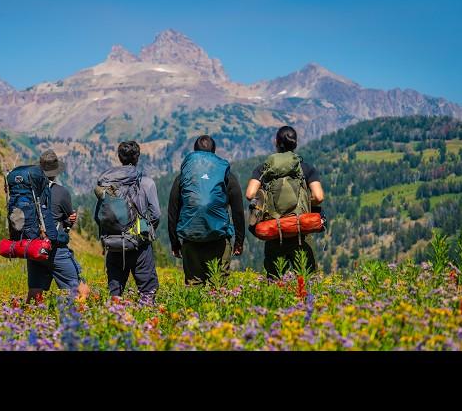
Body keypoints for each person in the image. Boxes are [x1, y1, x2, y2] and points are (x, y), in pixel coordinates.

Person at [245, 126, 324, 277]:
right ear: (295, 144)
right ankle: (306, 300)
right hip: (300, 231)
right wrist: (306, 203)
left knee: (275, 281)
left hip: (275, 230)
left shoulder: (264, 169)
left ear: (276, 142)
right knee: (306, 280)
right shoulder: (305, 168)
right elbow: (319, 197)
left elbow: (250, 194)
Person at [168, 135, 245, 286]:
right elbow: (238, 211)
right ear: (214, 152)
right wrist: (239, 241)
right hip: (219, 240)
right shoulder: (226, 176)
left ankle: (193, 310)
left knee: (193, 288)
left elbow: (173, 212)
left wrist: (174, 243)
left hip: (191, 241)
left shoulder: (183, 177)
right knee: (219, 288)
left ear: (195, 152)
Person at [94, 141, 161, 304]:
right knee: (147, 290)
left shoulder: (108, 184)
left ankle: (115, 321)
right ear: (137, 157)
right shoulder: (146, 182)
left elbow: (98, 216)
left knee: (115, 291)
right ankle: (146, 324)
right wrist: (145, 229)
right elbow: (156, 214)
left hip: (114, 243)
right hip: (139, 244)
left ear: (119, 157)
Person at [26, 150, 87, 304]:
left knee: (35, 292)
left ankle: (24, 322)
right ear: (55, 172)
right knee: (80, 289)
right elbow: (66, 220)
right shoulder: (61, 192)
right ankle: (73, 322)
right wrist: (69, 220)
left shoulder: (29, 191)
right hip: (55, 250)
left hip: (34, 248)